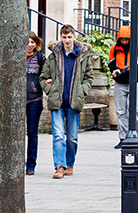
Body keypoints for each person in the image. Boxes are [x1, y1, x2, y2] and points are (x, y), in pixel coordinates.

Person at [40, 25, 96, 180]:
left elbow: (89, 77)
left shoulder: (82, 56)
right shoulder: (54, 56)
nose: (67, 40)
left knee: (72, 138)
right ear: (61, 37)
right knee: (58, 135)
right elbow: (43, 77)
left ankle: (69, 164)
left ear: (74, 37)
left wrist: (82, 91)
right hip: (57, 102)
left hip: (73, 102)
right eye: (64, 37)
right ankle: (59, 166)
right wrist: (50, 90)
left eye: (69, 37)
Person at [108, 25, 138, 147]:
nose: (124, 41)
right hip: (120, 82)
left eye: (126, 39)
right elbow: (111, 63)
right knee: (121, 112)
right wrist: (114, 70)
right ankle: (122, 138)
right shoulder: (114, 48)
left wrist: (135, 69)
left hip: (134, 82)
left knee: (135, 110)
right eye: (122, 39)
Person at [25, 31, 46, 176]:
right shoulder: (15, 57)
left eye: (32, 42)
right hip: (17, 100)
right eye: (27, 42)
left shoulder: (40, 57)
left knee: (32, 133)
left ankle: (31, 165)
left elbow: (45, 76)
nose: (30, 45)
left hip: (35, 100)